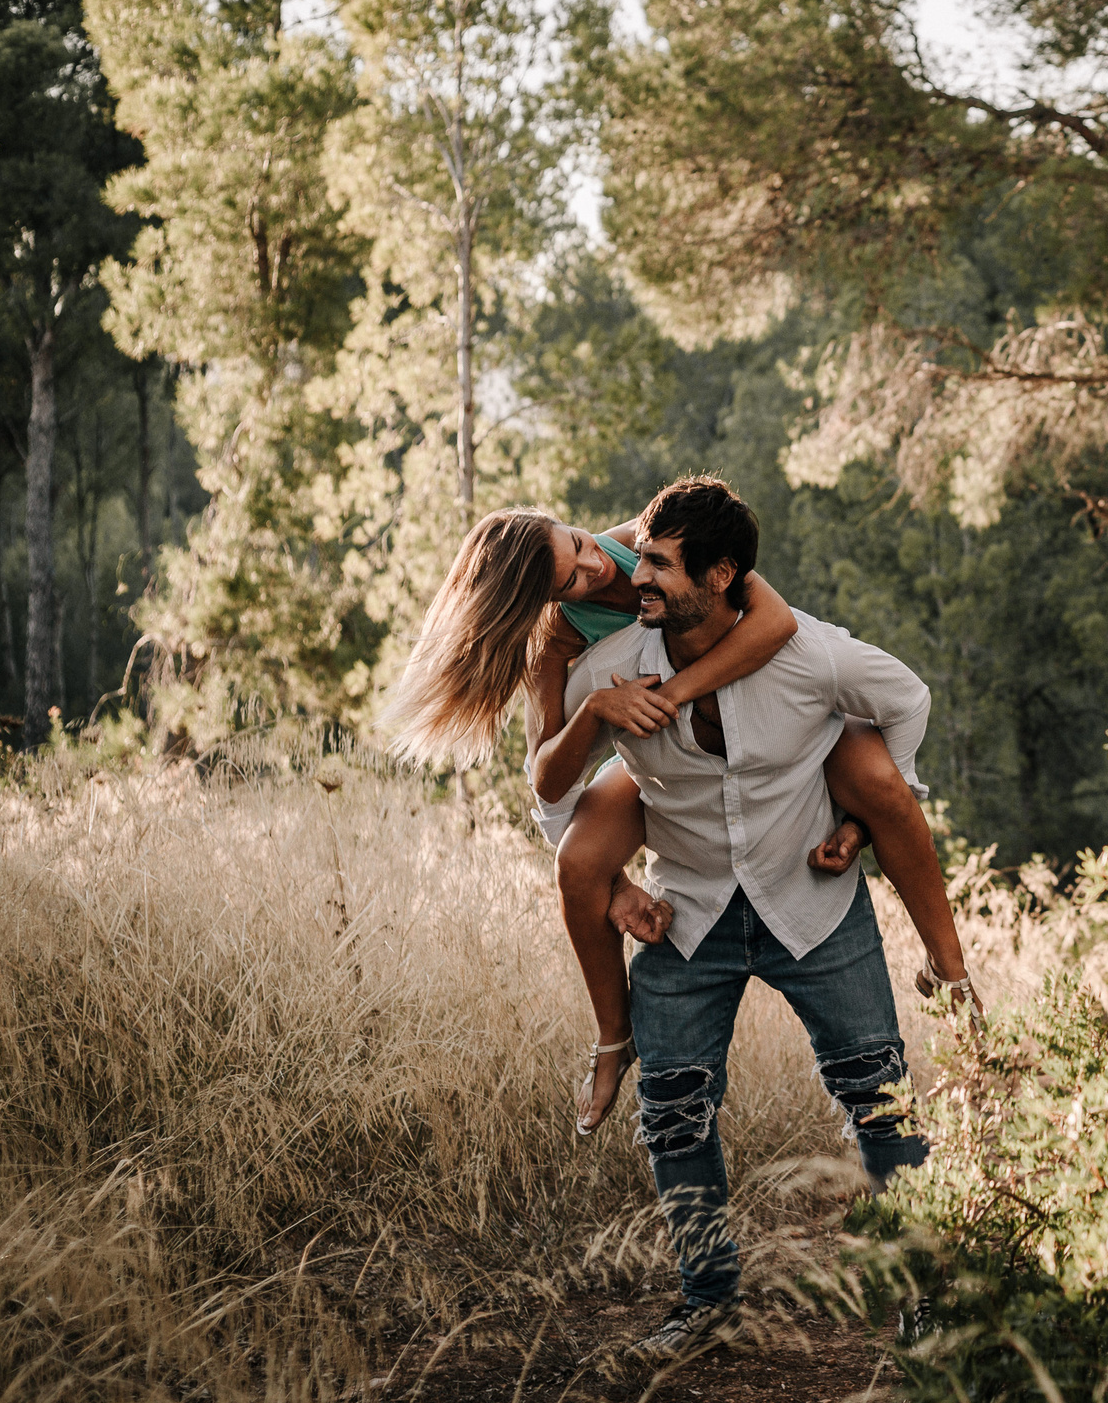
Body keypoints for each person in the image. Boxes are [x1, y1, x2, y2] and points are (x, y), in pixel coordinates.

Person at [381, 499, 973, 1140]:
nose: (595, 567)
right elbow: (548, 780)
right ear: (545, 603)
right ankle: (613, 1038)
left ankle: (951, 971)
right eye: (571, 580)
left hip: (760, 721)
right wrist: (599, 720)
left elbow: (774, 622)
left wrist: (672, 694)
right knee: (578, 862)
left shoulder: (647, 538)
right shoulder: (558, 639)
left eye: (577, 541)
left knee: (883, 784)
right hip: (656, 753)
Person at [535, 475, 963, 1357]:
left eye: (659, 564)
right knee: (673, 1112)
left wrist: (860, 822)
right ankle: (707, 1301)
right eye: (640, 559)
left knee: (879, 1097)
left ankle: (926, 1294)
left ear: (722, 574)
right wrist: (615, 888)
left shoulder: (810, 655)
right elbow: (555, 795)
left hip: (811, 902)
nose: (634, 576)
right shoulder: (608, 672)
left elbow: (909, 699)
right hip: (685, 913)